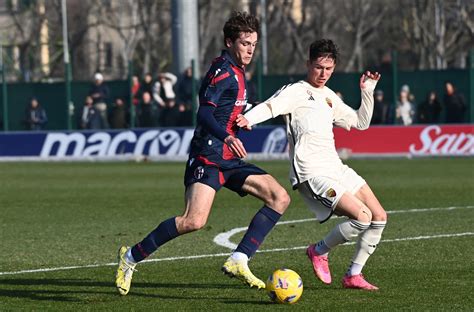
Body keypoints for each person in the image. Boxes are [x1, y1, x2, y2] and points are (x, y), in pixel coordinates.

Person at [115, 11, 290, 296]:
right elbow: (204, 114)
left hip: (229, 159)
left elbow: (232, 111)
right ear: (230, 42)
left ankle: (239, 259)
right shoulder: (222, 71)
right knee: (193, 221)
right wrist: (228, 135)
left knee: (279, 197)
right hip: (208, 157)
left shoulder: (239, 71)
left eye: (254, 44)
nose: (250, 49)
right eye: (245, 43)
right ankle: (130, 257)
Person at [237, 39, 387, 290]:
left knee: (379, 217)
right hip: (311, 173)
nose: (323, 74)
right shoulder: (295, 91)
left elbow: (361, 123)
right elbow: (271, 106)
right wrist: (248, 118)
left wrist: (367, 91)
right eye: (318, 67)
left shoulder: (329, 97)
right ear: (308, 64)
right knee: (362, 217)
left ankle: (353, 275)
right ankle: (318, 251)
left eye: (328, 69)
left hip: (336, 168)